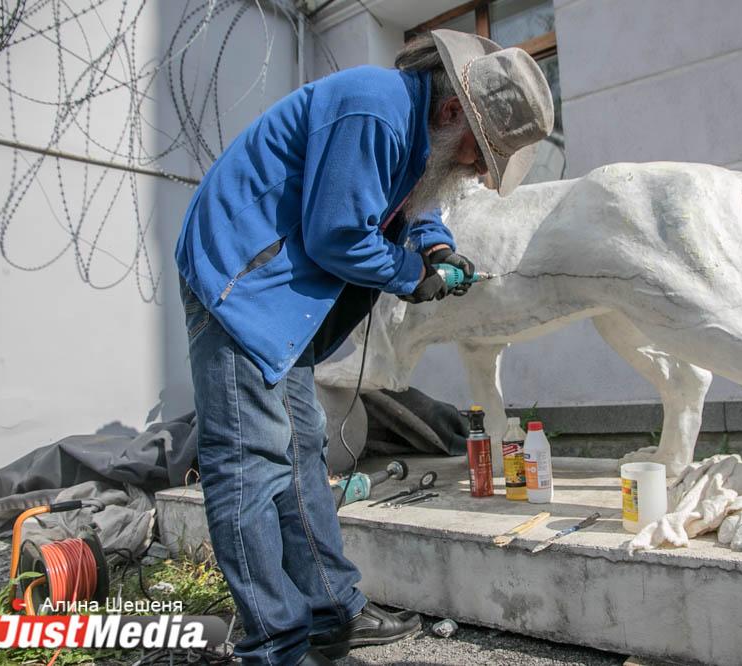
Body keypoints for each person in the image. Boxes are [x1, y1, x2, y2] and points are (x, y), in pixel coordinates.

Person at [174, 28, 553, 665]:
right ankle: (276, 641)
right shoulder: (372, 109)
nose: (477, 170)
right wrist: (412, 277)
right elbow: (337, 235)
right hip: (243, 286)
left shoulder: (414, 125)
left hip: (283, 300)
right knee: (250, 464)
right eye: (479, 153)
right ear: (453, 109)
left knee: (301, 451)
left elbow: (413, 197)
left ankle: (333, 610)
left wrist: (433, 246)